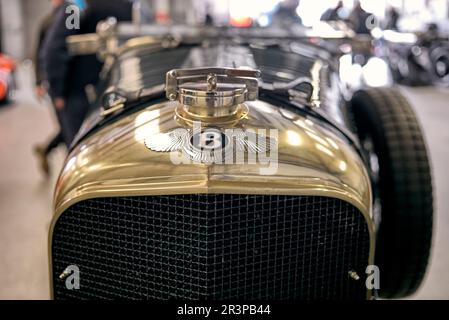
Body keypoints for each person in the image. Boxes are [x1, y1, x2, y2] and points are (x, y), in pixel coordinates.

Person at [42, 0, 132, 148]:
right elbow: (55, 50)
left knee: (83, 147)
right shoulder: (76, 9)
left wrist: (57, 91)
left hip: (85, 92)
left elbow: (55, 50)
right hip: (91, 92)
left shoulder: (78, 8)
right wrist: (57, 90)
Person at [33, 0, 65, 176]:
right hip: (57, 84)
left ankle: (46, 149)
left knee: (68, 128)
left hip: (67, 82)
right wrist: (39, 82)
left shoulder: (72, 16)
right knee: (69, 129)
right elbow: (40, 54)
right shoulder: (48, 22)